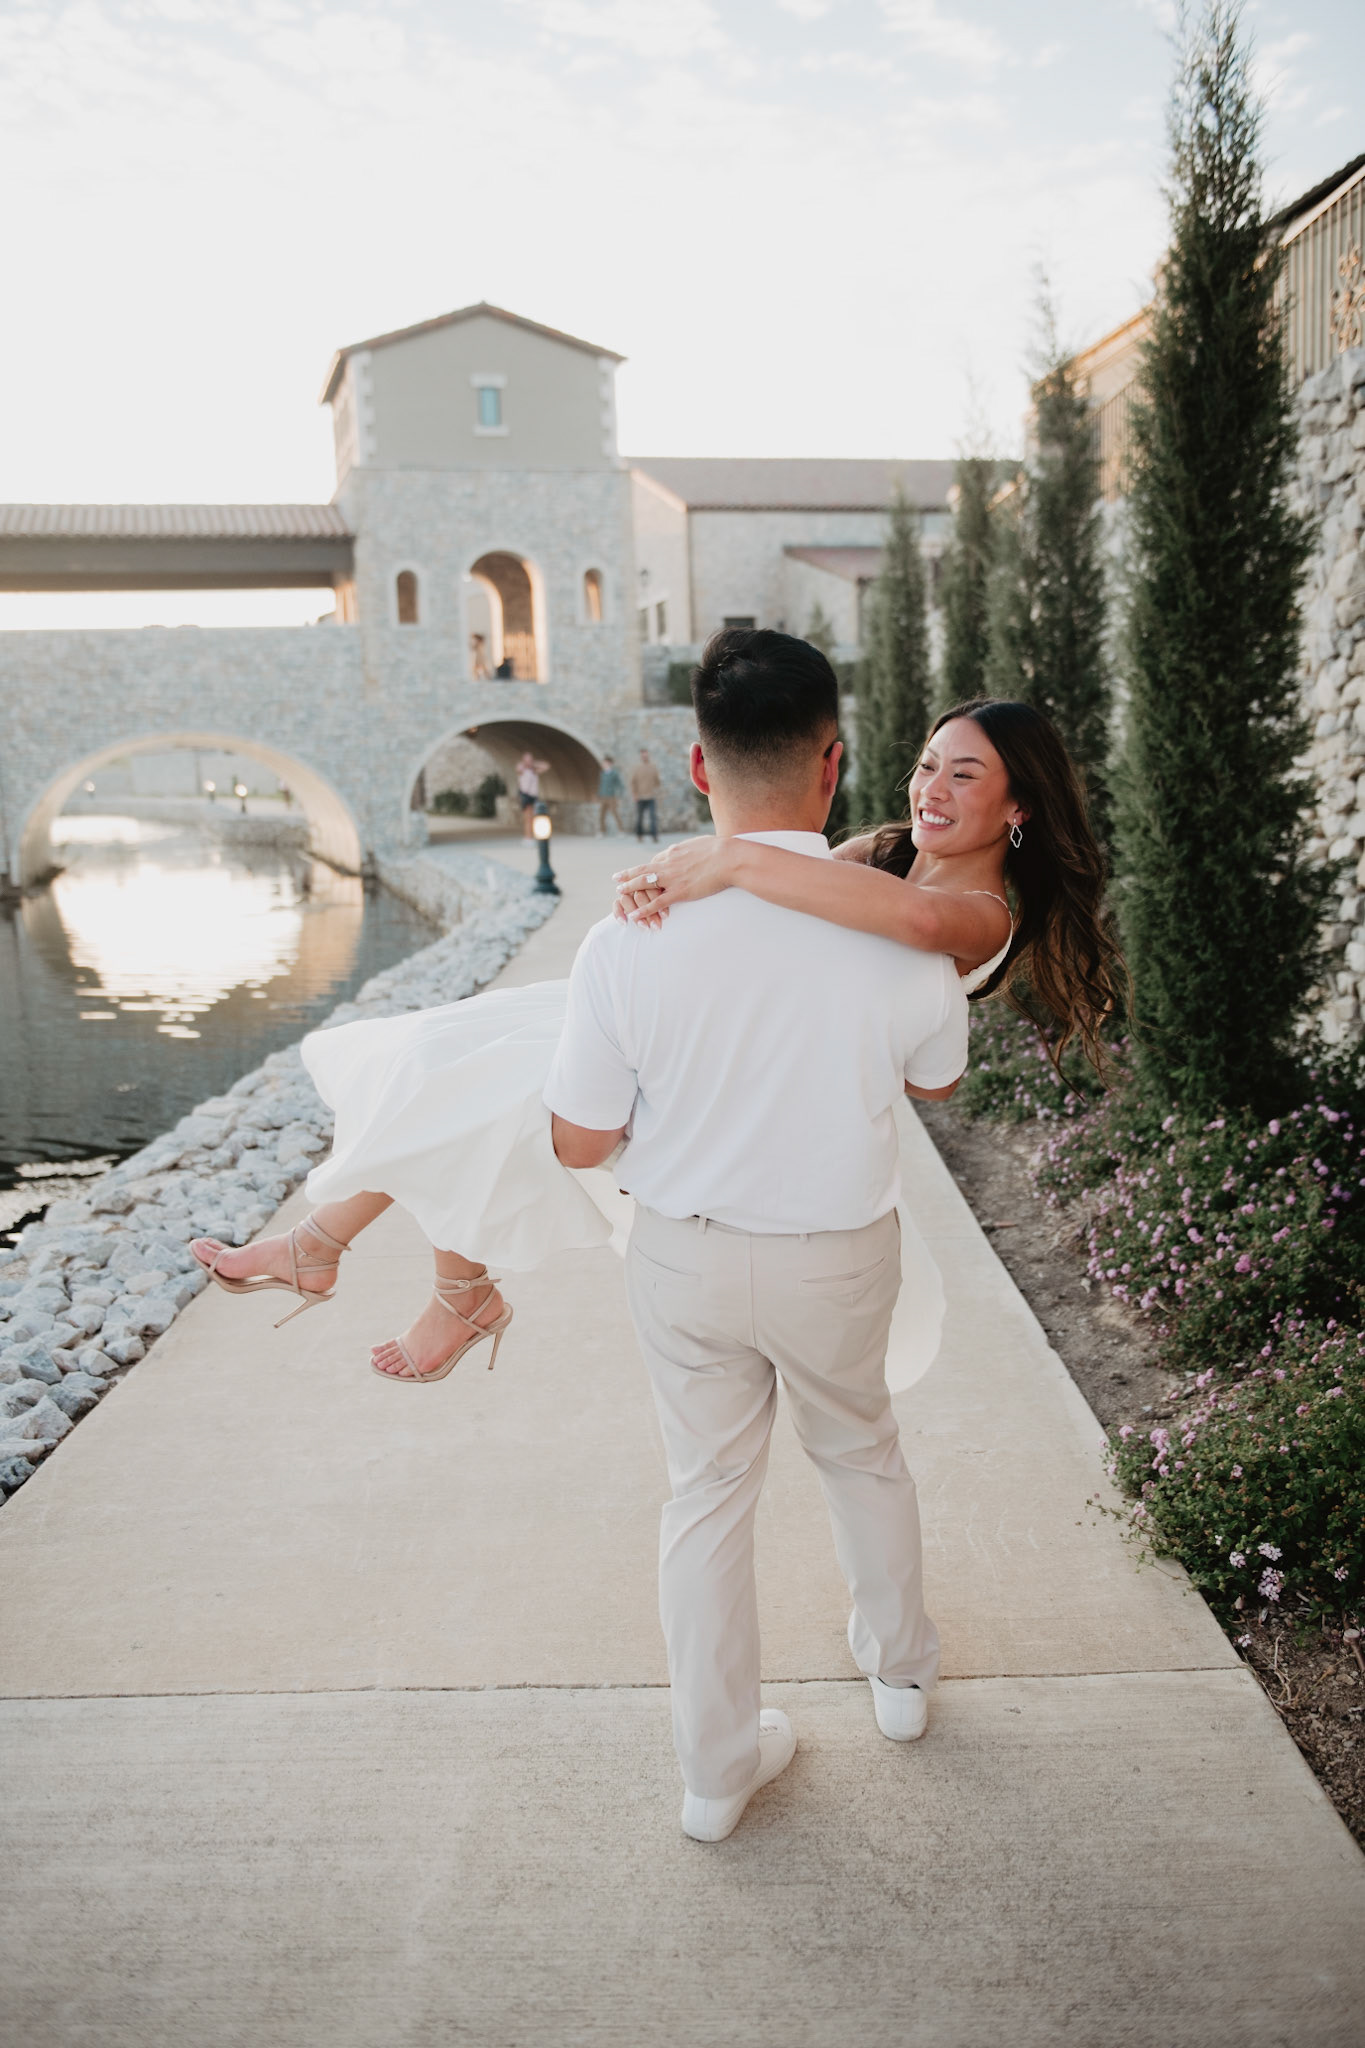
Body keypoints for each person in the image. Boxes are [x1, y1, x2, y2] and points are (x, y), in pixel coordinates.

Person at [188, 635, 1121, 1816]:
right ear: (836, 764)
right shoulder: (896, 918)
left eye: (964, 773)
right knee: (860, 1453)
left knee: (705, 1491)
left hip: (688, 1246)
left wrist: (710, 882)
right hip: (834, 1247)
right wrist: (735, 894)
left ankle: (714, 1774)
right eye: (928, 763)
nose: (931, 785)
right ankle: (900, 1673)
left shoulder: (957, 918)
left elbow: (592, 1136)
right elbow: (922, 1062)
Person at [515, 750, 549, 837]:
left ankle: (533, 835)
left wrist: (534, 764)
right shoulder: (522, 770)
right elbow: (518, 767)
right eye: (527, 760)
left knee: (534, 817)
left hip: (534, 795)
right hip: (525, 795)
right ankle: (528, 836)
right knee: (528, 817)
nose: (528, 761)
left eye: (530, 759)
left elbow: (546, 766)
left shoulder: (534, 771)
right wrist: (525, 764)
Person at [629, 748, 660, 841]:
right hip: (640, 797)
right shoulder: (637, 768)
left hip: (651, 796)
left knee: (652, 816)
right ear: (641, 756)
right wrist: (634, 794)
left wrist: (655, 788)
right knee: (639, 817)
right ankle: (639, 835)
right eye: (643, 755)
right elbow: (632, 782)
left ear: (648, 755)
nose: (645, 756)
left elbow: (657, 782)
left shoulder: (653, 767)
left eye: (646, 755)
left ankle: (654, 836)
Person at [597, 754, 626, 835]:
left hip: (611, 797)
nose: (603, 764)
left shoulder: (614, 774)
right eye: (603, 763)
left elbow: (620, 785)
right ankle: (602, 831)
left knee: (615, 813)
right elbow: (601, 785)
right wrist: (599, 795)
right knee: (601, 814)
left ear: (609, 763)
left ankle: (621, 831)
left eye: (605, 763)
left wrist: (619, 796)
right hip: (603, 796)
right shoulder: (602, 773)